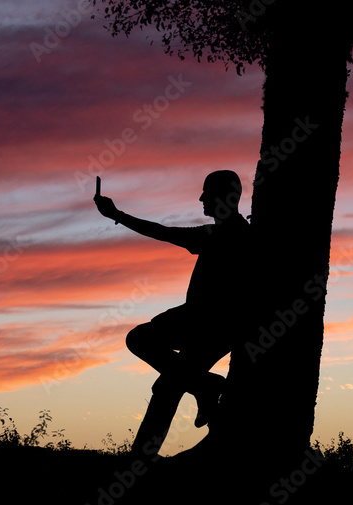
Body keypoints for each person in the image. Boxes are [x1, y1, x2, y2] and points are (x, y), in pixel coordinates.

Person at [93, 170, 250, 431]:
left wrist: (117, 215)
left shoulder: (228, 234)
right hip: (203, 320)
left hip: (212, 325)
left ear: (224, 197)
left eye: (207, 192)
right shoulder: (226, 231)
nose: (201, 198)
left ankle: (140, 463)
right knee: (161, 370)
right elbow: (166, 233)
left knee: (157, 367)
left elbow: (164, 233)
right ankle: (206, 387)